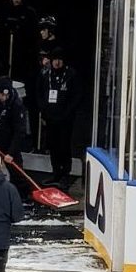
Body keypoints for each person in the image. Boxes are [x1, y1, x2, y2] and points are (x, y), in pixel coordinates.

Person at [36, 48, 78, 187]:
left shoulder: (71, 74)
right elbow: (39, 93)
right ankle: (55, 173)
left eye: (59, 59)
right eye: (54, 59)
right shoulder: (45, 74)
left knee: (64, 146)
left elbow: (76, 96)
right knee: (52, 146)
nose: (57, 62)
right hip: (50, 117)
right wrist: (44, 110)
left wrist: (67, 113)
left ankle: (65, 174)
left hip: (65, 119)